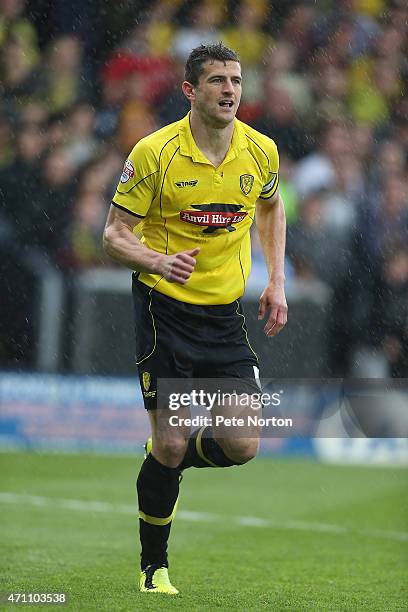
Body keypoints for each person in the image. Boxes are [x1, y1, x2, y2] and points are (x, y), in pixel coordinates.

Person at [103, 42, 287, 595]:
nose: (230, 90)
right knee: (172, 442)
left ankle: (165, 459)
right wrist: (158, 260)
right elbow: (113, 235)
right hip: (164, 312)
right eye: (217, 81)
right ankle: (153, 567)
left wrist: (277, 279)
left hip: (225, 316)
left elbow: (272, 206)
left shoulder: (260, 151)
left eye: (236, 80)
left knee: (243, 444)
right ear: (190, 90)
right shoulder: (155, 153)